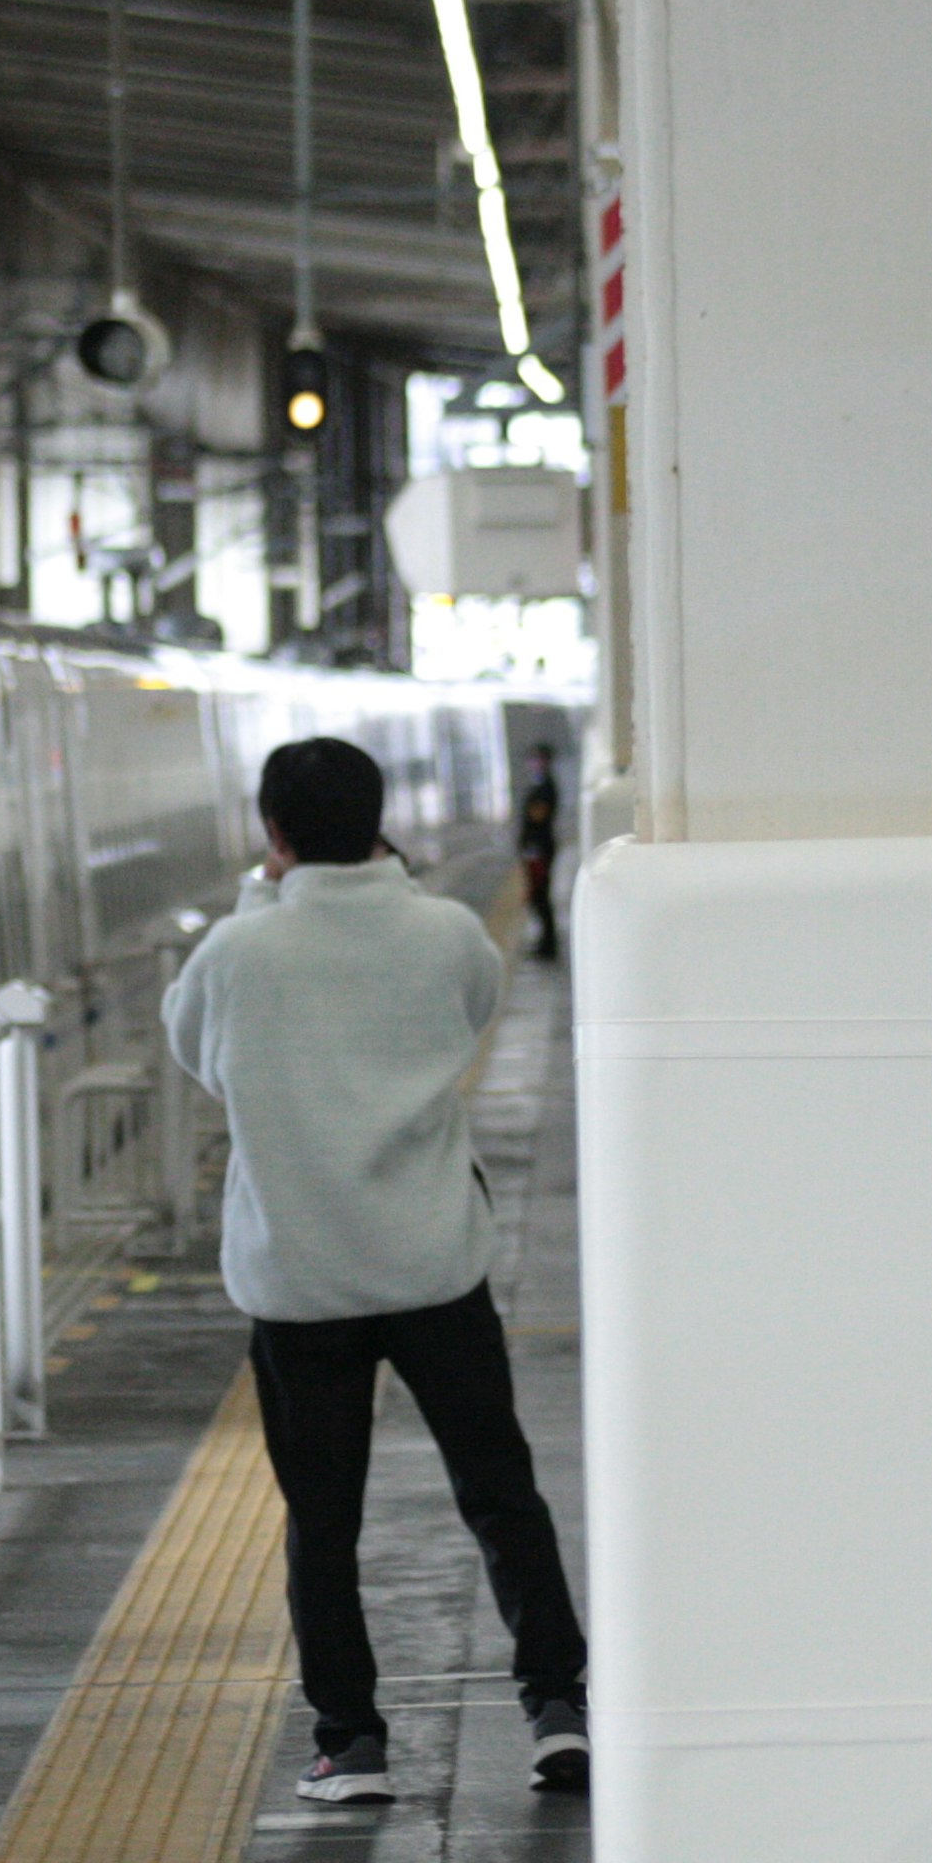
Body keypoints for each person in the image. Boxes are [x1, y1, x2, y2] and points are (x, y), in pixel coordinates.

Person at [163, 736, 590, 1805]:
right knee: (500, 1493)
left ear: (274, 835)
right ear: (380, 818)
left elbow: (197, 1054)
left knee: (325, 1521)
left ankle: (350, 1741)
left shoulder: (235, 953)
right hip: (435, 1262)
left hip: (301, 1281)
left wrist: (267, 907)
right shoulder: (444, 932)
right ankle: (557, 1707)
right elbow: (477, 1005)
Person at [515, 740, 565, 962]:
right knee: (538, 896)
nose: (533, 763)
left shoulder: (545, 786)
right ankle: (545, 942)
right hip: (535, 847)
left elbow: (538, 816)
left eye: (537, 759)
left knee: (540, 895)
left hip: (539, 848)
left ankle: (548, 944)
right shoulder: (540, 785)